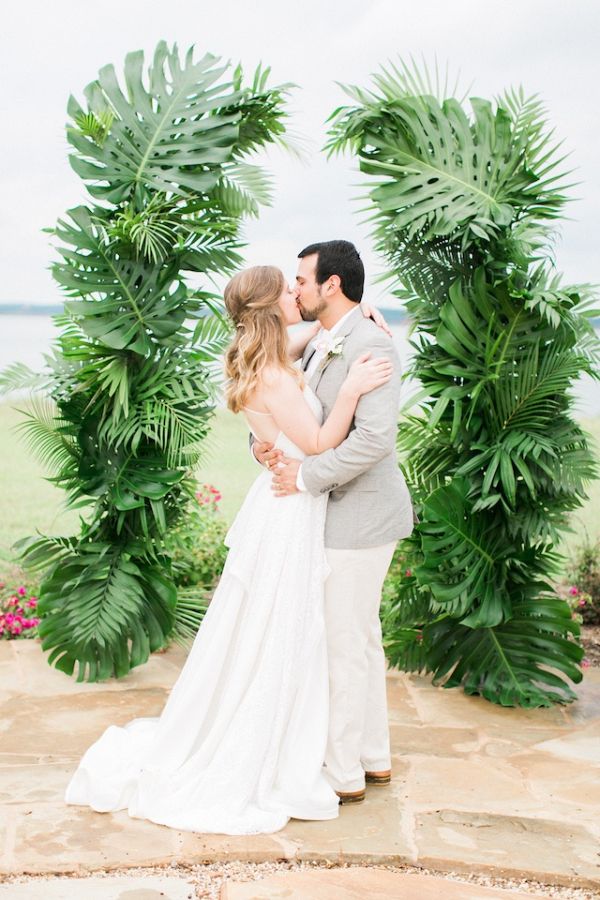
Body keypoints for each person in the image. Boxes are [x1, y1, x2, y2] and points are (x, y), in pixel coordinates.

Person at [63, 264, 393, 835]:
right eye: (291, 291)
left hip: (284, 504)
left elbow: (317, 339)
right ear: (270, 307)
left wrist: (361, 320)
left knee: (284, 626)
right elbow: (315, 441)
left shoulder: (262, 350)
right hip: (291, 509)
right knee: (286, 628)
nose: (299, 295)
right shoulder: (270, 368)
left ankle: (313, 736)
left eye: (301, 285)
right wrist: (355, 391)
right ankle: (274, 742)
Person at [253, 240, 415, 804]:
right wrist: (264, 442)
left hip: (362, 514)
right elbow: (284, 399)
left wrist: (302, 478)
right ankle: (373, 757)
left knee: (345, 644)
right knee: (361, 639)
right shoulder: (323, 339)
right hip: (341, 514)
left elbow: (373, 440)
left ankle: (343, 773)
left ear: (332, 285)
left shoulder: (370, 346)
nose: (294, 288)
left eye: (301, 279)